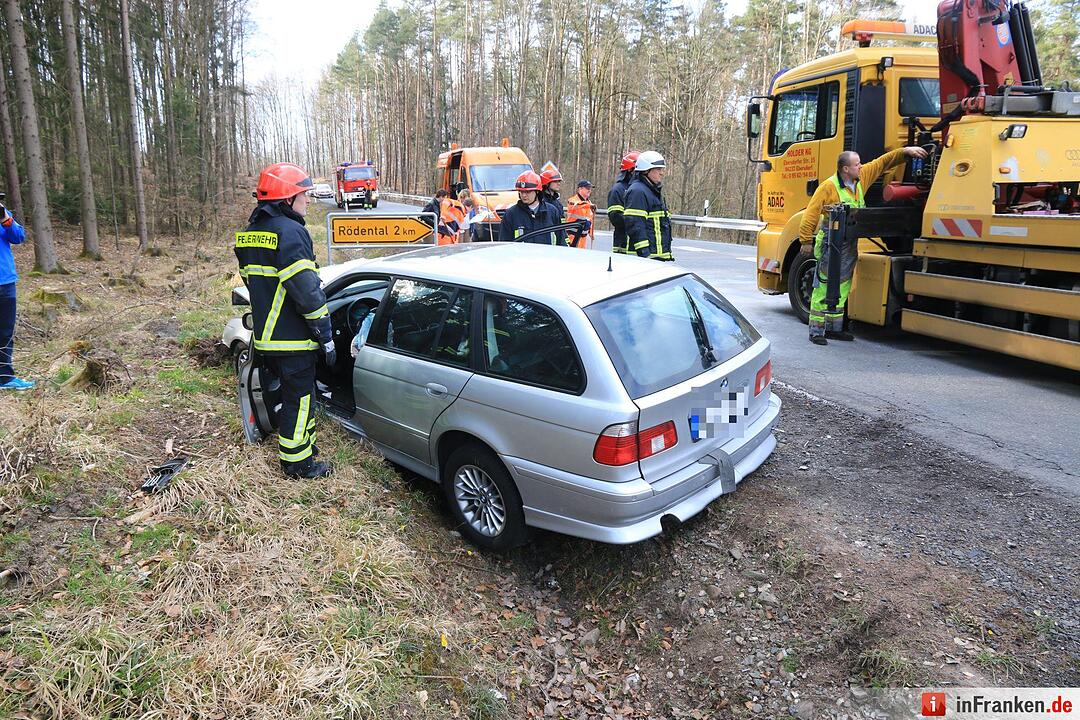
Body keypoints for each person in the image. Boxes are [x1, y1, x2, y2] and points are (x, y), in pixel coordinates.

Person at [235, 162, 334, 479]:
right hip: (293, 338)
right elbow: (306, 291)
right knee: (300, 400)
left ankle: (304, 449)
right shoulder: (291, 232)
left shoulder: (251, 234)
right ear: (286, 199)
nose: (307, 200)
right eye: (303, 195)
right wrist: (325, 332)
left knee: (291, 396)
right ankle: (298, 464)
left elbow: (255, 283)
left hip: (267, 336)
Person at [800, 146, 929, 345]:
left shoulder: (861, 178)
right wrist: (805, 240)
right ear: (845, 169)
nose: (861, 166)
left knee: (843, 283)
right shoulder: (829, 187)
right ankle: (816, 330)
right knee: (825, 284)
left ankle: (834, 328)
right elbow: (811, 213)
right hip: (830, 242)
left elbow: (882, 163)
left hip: (849, 241)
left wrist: (905, 152)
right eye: (856, 164)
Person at [0, 194, 32, 391]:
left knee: (5, 333)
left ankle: (5, 378)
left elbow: (19, 237)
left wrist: (5, 218)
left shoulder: (4, 215)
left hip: (6, 282)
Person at [624, 151, 673, 262]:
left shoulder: (651, 190)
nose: (661, 173)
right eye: (658, 169)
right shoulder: (638, 191)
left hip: (656, 257)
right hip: (646, 259)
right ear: (646, 170)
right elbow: (635, 225)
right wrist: (644, 254)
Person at [499, 171, 566, 245]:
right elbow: (504, 244)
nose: (524, 195)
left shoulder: (552, 212)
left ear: (537, 192)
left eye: (528, 192)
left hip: (547, 256)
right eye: (521, 192)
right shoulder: (511, 214)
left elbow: (561, 240)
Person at [607, 151, 639, 254]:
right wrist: (638, 220)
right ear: (630, 170)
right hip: (624, 246)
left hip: (639, 245)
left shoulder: (640, 189)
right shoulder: (618, 190)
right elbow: (616, 218)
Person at [565, 180, 596, 250]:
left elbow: (590, 219)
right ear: (580, 189)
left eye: (590, 189)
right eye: (587, 188)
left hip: (583, 238)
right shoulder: (572, 200)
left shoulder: (589, 203)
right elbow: (578, 205)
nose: (590, 190)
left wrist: (591, 232)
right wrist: (589, 205)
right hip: (572, 236)